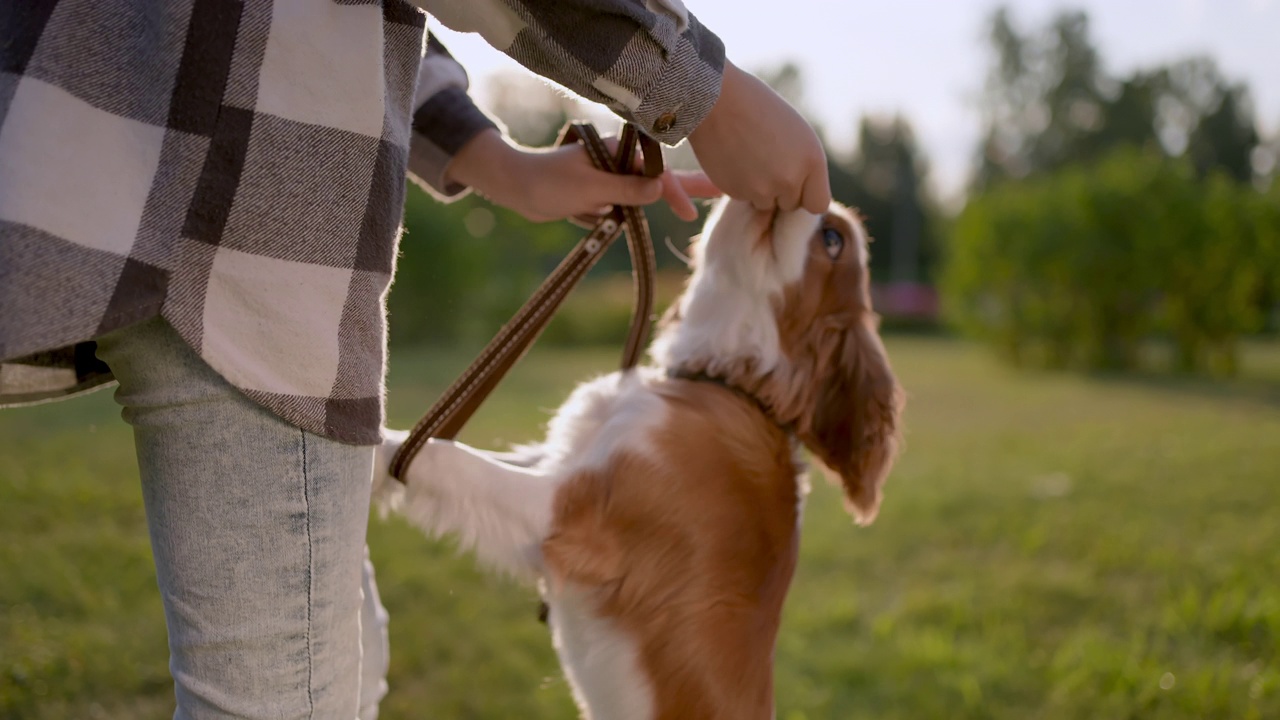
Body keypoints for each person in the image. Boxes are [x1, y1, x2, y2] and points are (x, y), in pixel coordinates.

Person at [0, 1, 831, 718]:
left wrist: (500, 165)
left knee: (346, 663)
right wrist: (703, 94)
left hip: (91, 165)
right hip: (256, 229)